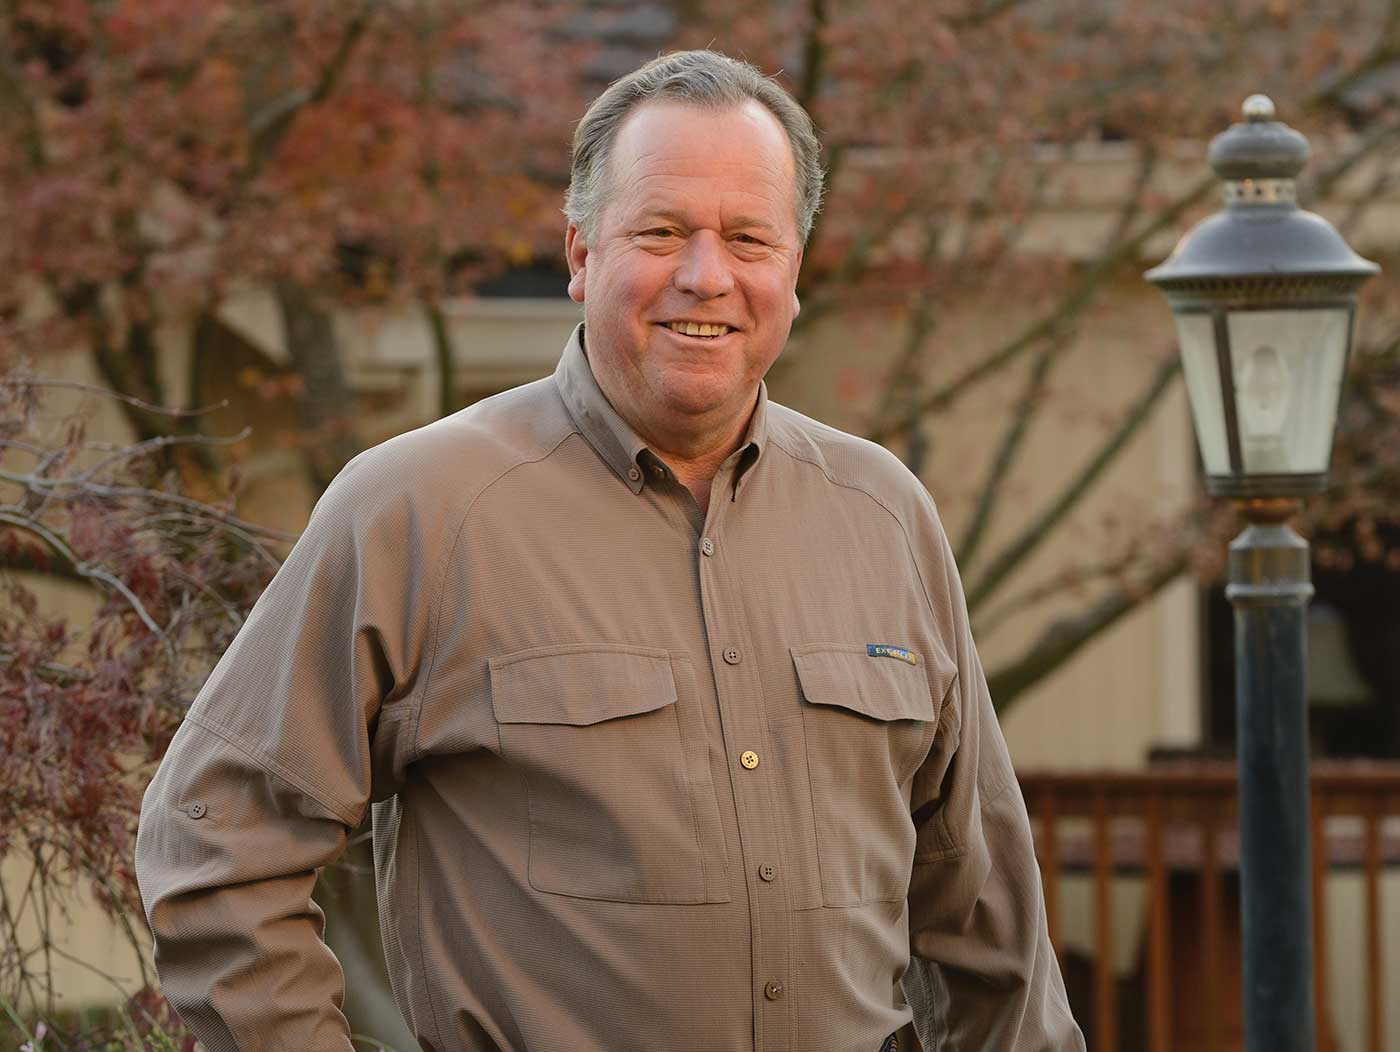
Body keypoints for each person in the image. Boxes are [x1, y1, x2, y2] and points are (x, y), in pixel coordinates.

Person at [135, 49, 1084, 1052]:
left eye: (748, 237)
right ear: (581, 251)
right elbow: (212, 840)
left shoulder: (883, 515)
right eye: (661, 231)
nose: (704, 275)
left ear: (792, 270)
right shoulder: (418, 509)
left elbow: (986, 921)